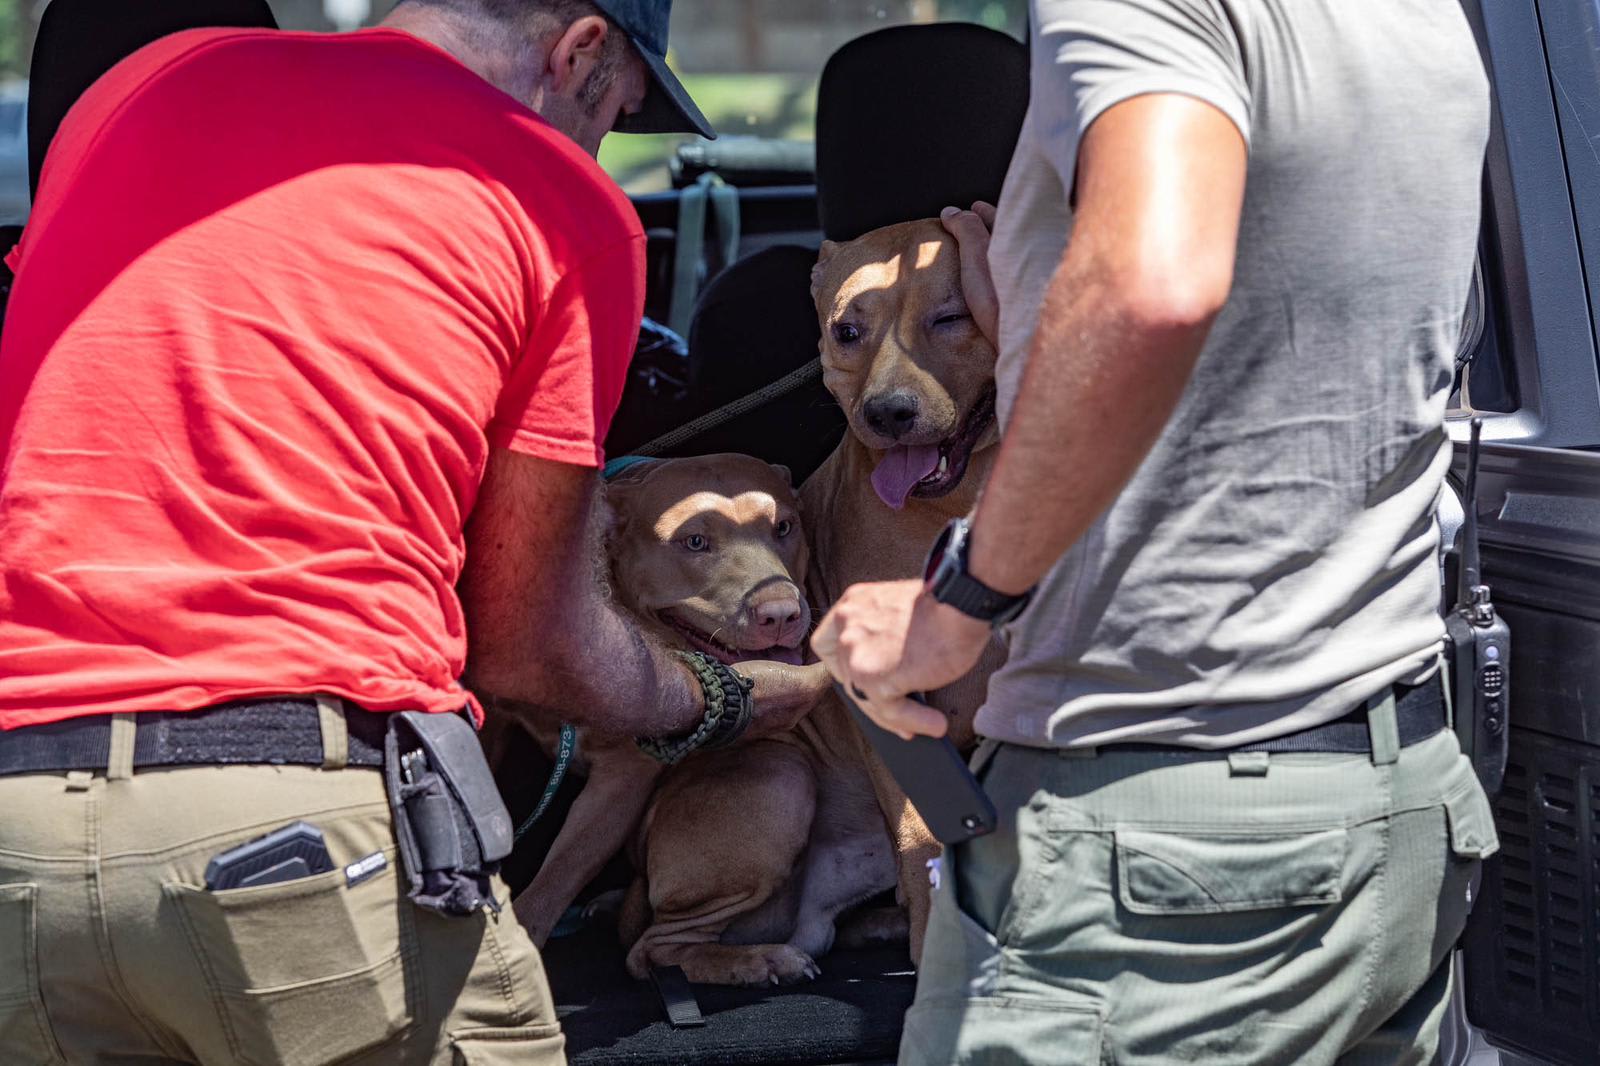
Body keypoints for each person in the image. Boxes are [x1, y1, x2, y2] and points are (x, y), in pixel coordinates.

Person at [0, 1, 821, 1062]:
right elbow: (531, 645)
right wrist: (719, 697)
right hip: (288, 836)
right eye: (613, 115)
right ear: (578, 50)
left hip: (21, 824)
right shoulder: (560, 194)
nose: (599, 149)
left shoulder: (141, 87)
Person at [813, 1, 1500, 1062]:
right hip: (1399, 792)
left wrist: (962, 605)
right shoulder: (1422, 18)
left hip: (1159, 842)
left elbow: (1151, 286)